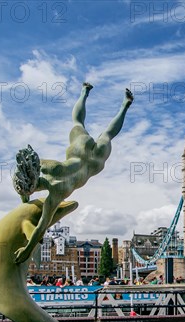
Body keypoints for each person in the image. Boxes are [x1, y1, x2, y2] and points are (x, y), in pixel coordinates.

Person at [13, 83, 134, 263]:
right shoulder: (47, 166)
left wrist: (27, 249)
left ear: (33, 188)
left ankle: (125, 105)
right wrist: (24, 192)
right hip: (79, 149)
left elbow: (41, 226)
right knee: (80, 123)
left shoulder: (58, 192)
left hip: (94, 163)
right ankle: (86, 93)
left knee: (107, 134)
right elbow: (30, 163)